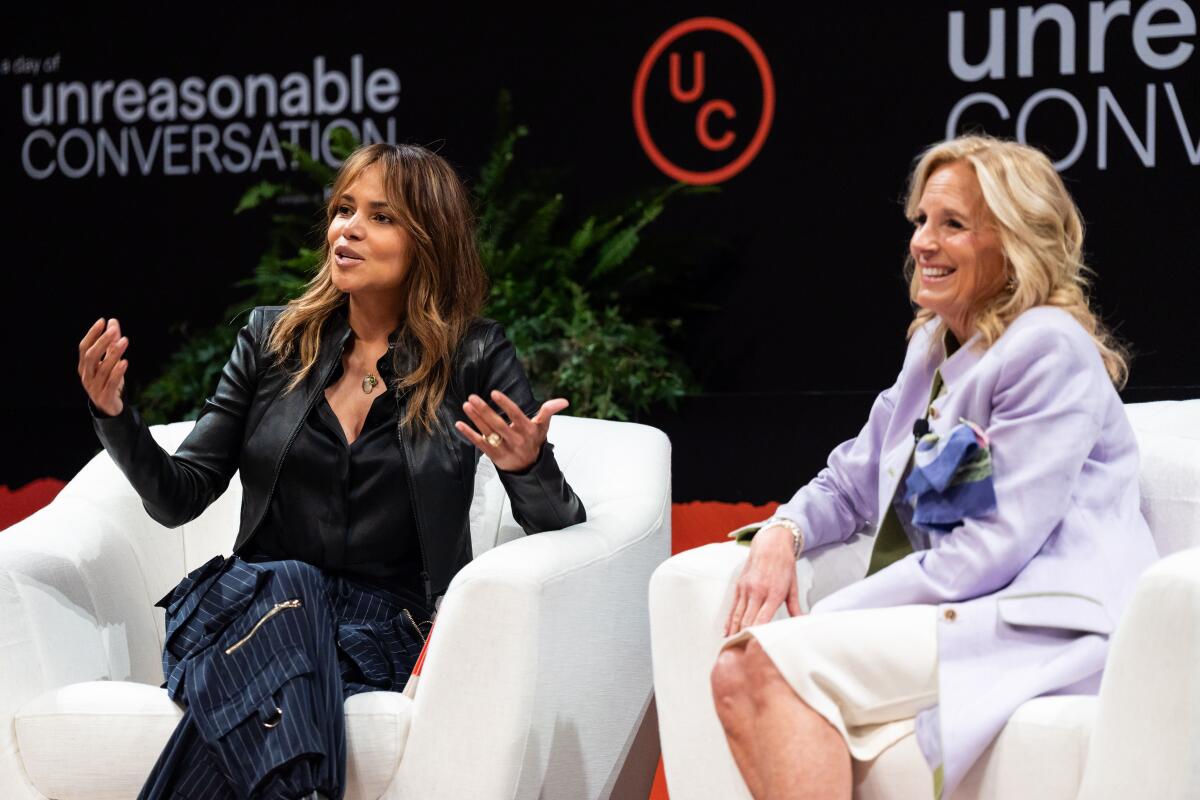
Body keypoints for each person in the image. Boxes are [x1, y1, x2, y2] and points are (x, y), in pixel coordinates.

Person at [76, 142, 587, 799]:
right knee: (292, 586)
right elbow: (180, 496)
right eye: (344, 209)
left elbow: (560, 526)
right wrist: (113, 416)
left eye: (379, 216)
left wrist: (526, 466)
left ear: (427, 242)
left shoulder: (474, 356)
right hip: (253, 608)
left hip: (378, 633)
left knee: (275, 705)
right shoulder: (271, 342)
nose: (347, 227)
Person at [707, 136, 1157, 799]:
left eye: (952, 225)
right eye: (921, 221)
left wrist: (833, 616)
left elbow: (990, 550)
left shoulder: (1047, 350)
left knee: (756, 666)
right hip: (963, 609)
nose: (922, 242)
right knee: (748, 670)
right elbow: (851, 481)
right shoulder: (933, 346)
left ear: (1012, 244)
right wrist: (785, 532)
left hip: (1038, 618)